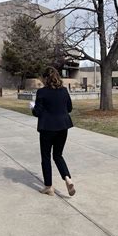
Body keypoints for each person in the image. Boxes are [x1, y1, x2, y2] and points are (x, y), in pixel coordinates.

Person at [32, 67, 75, 197]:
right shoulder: (64, 90)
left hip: (47, 128)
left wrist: (33, 107)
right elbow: (69, 108)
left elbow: (37, 112)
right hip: (63, 127)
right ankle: (67, 178)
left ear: (45, 78)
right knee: (58, 155)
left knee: (46, 157)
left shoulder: (42, 92)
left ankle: (48, 186)